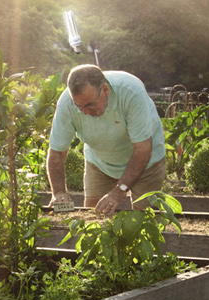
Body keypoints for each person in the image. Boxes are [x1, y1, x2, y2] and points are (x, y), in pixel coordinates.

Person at [45, 64, 167, 216]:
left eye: (90, 105)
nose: (85, 112)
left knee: (145, 219)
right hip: (100, 163)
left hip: (146, 163)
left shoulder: (131, 91)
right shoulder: (66, 104)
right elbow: (57, 152)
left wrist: (118, 192)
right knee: (93, 217)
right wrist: (58, 192)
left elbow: (142, 149)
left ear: (105, 90)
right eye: (79, 106)